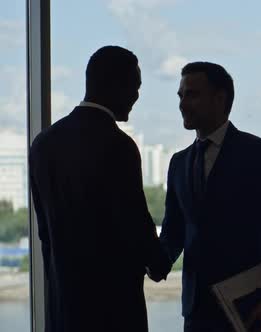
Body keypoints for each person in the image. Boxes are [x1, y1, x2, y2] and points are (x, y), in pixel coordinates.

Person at [29, 45, 169, 332]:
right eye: (135, 86)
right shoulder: (118, 145)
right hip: (113, 307)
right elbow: (134, 220)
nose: (136, 96)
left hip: (64, 306)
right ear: (116, 85)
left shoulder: (43, 144)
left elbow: (45, 230)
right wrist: (158, 262)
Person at [157, 62, 261, 332]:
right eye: (180, 95)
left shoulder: (259, 153)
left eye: (192, 94)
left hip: (248, 308)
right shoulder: (178, 162)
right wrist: (154, 263)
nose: (183, 104)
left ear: (220, 98)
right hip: (196, 311)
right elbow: (174, 232)